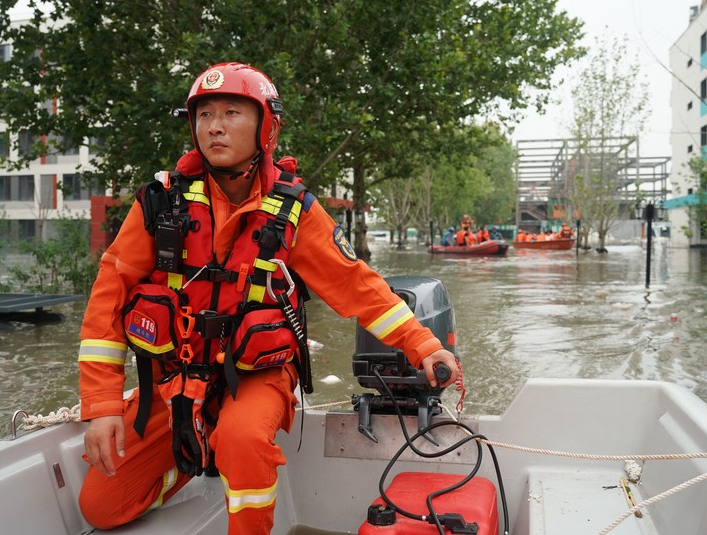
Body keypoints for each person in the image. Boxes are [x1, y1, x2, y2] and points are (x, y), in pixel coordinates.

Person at [76, 62, 459, 534]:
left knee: (242, 439)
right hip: (177, 378)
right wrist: (102, 407)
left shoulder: (294, 210)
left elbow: (358, 288)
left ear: (267, 126)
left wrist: (424, 345)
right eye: (204, 114)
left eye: (232, 112)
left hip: (257, 373)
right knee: (101, 506)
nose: (214, 125)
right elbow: (108, 300)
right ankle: (196, 455)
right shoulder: (159, 203)